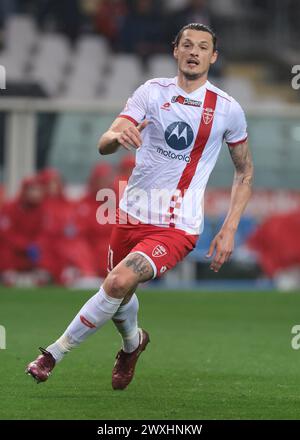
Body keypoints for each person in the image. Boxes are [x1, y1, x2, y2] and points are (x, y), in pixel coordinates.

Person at [26, 23, 254, 390]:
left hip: (177, 225)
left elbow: (244, 173)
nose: (194, 51)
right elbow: (105, 141)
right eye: (187, 45)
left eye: (203, 47)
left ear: (213, 56)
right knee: (119, 294)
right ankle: (133, 345)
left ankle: (53, 353)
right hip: (131, 214)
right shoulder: (151, 92)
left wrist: (228, 227)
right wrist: (117, 136)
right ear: (176, 51)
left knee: (117, 281)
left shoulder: (227, 109)